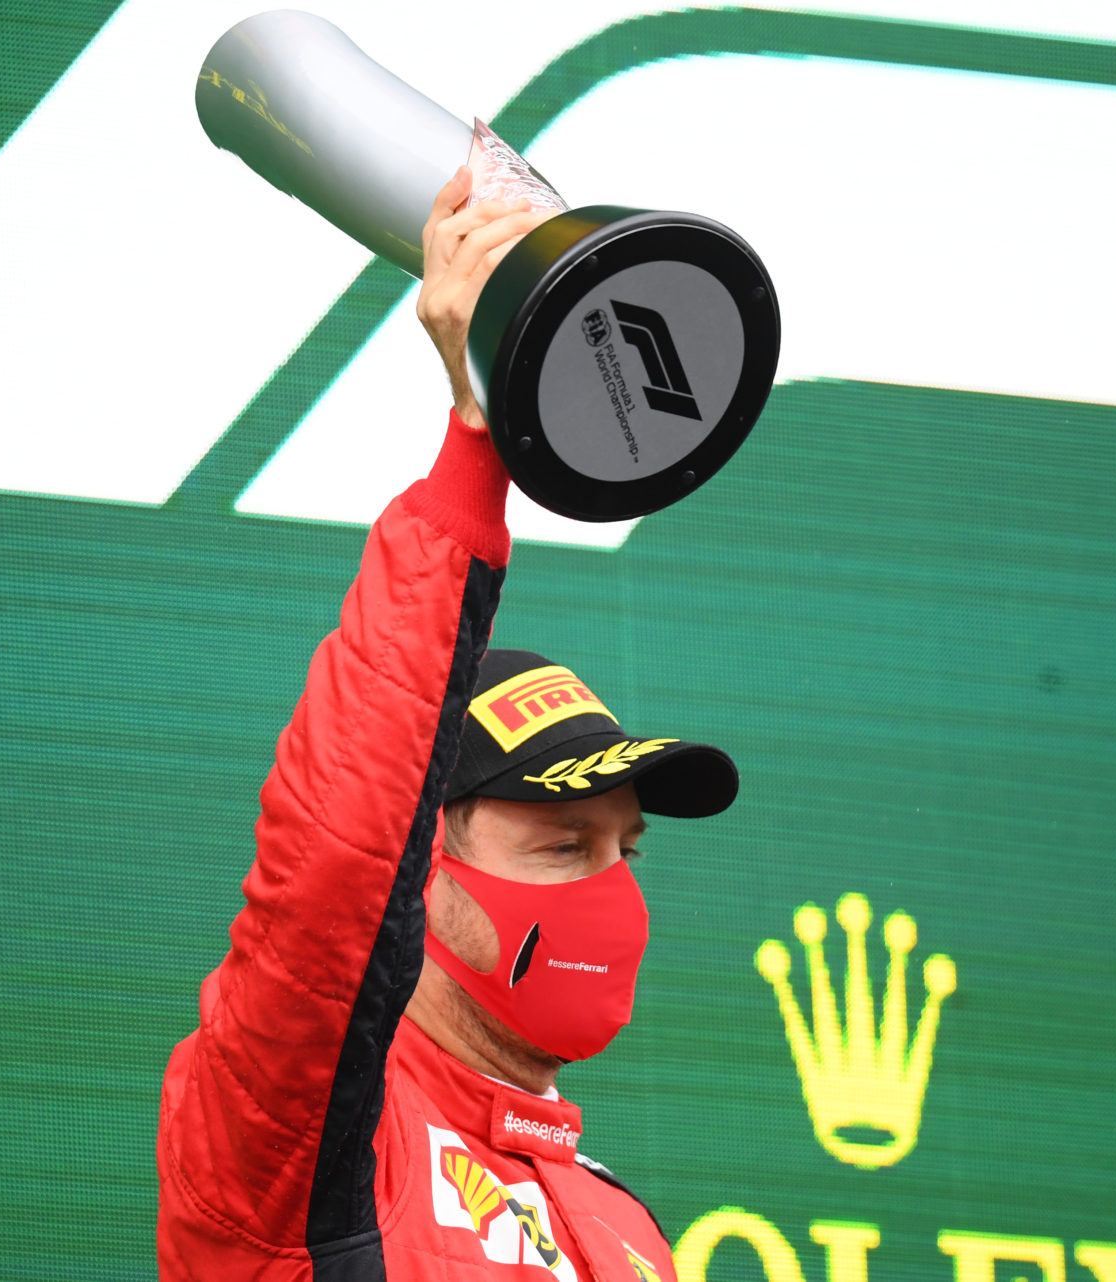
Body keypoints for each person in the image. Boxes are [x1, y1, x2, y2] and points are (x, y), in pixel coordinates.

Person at [157, 166, 739, 1281]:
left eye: (625, 850)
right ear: (421, 867)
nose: (611, 889)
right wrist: (479, 435)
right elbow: (336, 864)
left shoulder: (625, 1228)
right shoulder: (304, 1141)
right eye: (564, 845)